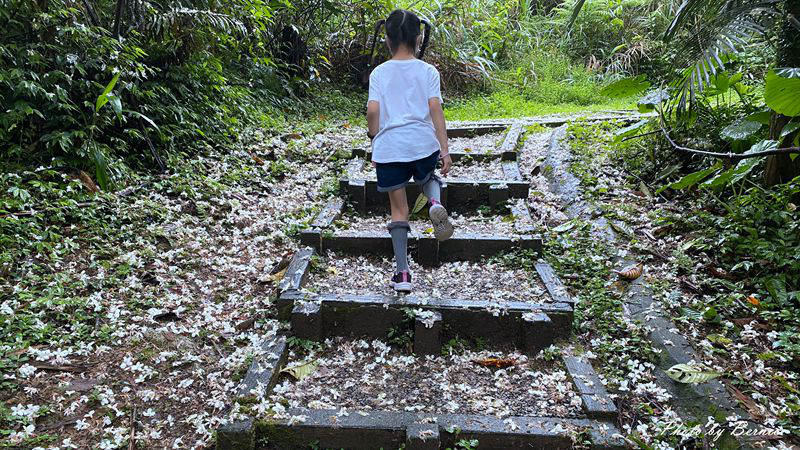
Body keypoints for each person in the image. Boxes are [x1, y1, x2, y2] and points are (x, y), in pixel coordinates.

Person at [366, 9, 453, 293]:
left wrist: (374, 135)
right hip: (422, 143)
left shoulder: (379, 73)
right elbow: (435, 109)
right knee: (429, 177)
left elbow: (373, 111)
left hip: (390, 148)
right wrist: (444, 149)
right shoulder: (428, 71)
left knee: (399, 208)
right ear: (418, 39)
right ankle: (434, 203)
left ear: (387, 40)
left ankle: (403, 274)